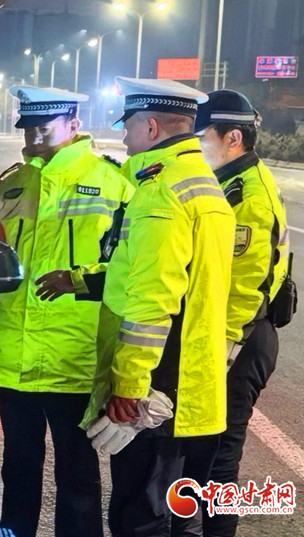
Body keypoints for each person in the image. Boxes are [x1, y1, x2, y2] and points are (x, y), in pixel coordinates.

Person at [36, 77, 236, 537]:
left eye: (127, 127)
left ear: (150, 128)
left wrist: (129, 387)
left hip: (156, 390)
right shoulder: (201, 183)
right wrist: (79, 280)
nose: (124, 138)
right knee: (175, 514)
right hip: (189, 381)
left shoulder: (160, 193)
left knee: (139, 517)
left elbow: (152, 298)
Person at [0, 85, 133, 537]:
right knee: (17, 466)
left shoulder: (113, 181)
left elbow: (130, 265)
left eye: (44, 127)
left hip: (75, 352)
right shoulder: (11, 182)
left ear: (73, 124)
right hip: (14, 351)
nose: (34, 136)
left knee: (78, 474)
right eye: (27, 128)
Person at [175, 89, 291, 537]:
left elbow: (244, 286)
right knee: (199, 455)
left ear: (233, 138)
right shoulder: (229, 181)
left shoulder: (249, 197)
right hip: (231, 335)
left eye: (202, 136)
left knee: (220, 461)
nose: (196, 145)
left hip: (241, 340)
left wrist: (221, 348)